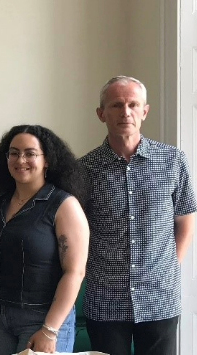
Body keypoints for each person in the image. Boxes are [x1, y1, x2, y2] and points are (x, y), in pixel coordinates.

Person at [80, 76, 196, 355]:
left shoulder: (173, 160)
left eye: (133, 104)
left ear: (145, 111)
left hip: (160, 297)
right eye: (117, 105)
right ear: (101, 114)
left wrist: (167, 266)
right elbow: (76, 231)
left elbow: (185, 220)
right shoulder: (84, 169)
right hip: (105, 299)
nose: (126, 112)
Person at [0, 125, 89, 354]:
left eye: (30, 153)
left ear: (46, 160)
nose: (21, 160)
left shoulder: (64, 205)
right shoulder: (0, 204)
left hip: (42, 318)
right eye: (14, 153)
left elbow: (75, 272)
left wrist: (50, 330)